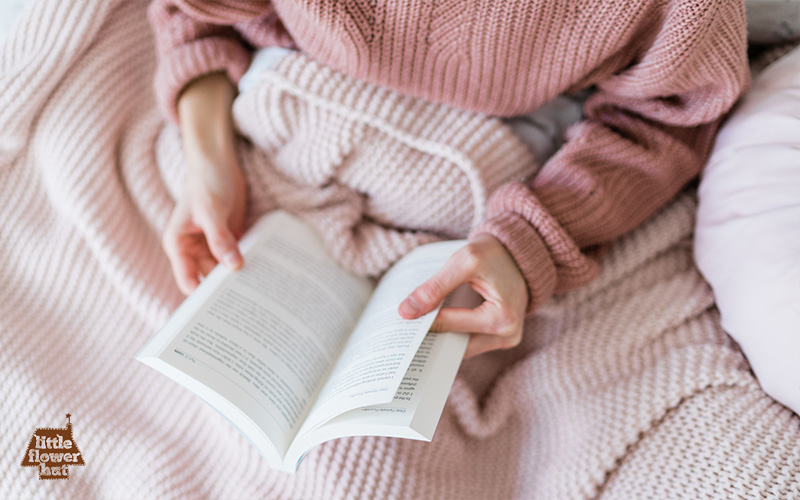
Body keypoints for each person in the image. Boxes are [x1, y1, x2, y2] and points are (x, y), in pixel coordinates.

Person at [148, 0, 749, 359]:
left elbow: (668, 117)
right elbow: (190, 13)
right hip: (273, 107)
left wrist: (532, 242)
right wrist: (207, 160)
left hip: (508, 155)